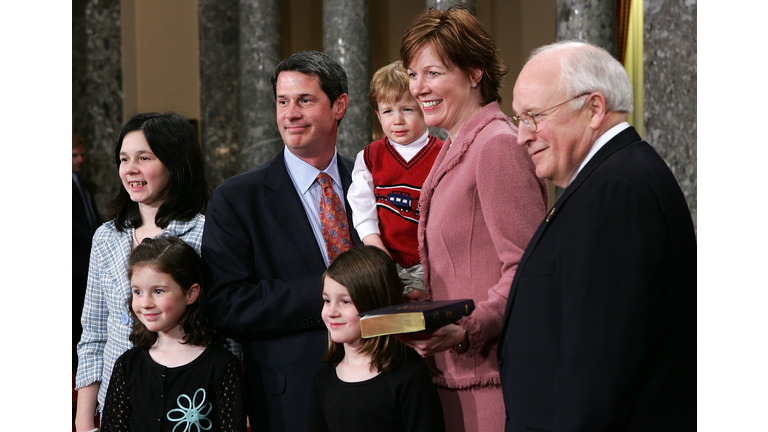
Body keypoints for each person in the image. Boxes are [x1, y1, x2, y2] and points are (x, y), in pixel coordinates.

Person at [498, 41, 696, 431]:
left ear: (593, 108)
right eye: (519, 118)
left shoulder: (616, 191)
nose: (522, 136)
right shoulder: (611, 178)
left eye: (534, 116)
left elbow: (599, 367)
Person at [397, 6, 548, 432]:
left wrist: (467, 329)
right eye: (412, 74)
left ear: (474, 72)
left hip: (490, 383)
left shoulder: (497, 145)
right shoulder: (454, 144)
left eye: (432, 72)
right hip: (452, 380)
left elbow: (526, 269)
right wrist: (422, 303)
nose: (418, 88)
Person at [201, 50, 361, 432]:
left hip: (379, 387)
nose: (290, 113)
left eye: (305, 100)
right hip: (291, 398)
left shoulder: (368, 185)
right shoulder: (237, 198)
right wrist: (329, 293)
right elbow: (226, 303)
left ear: (339, 105)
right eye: (282, 101)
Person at [75, 112, 217, 432]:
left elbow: (221, 333)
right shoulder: (106, 238)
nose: (130, 169)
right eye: (124, 159)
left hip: (184, 404)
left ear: (175, 163)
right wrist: (84, 419)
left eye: (144, 157)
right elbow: (94, 334)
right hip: (118, 405)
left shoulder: (205, 234)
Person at [100, 236, 246, 432]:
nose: (145, 303)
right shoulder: (127, 365)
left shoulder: (221, 365)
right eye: (137, 292)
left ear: (191, 293)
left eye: (158, 291)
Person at [306, 245, 445, 432]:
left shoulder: (408, 377)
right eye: (327, 300)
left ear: (376, 303)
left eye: (345, 301)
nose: (330, 312)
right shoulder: (322, 381)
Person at [347, 60, 443, 299]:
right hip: (383, 258)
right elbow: (362, 211)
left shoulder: (443, 154)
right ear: (378, 116)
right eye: (388, 111)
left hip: (432, 262)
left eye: (407, 109)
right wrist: (378, 253)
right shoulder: (369, 157)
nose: (397, 120)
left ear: (424, 108)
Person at [73, 134, 102, 357]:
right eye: (74, 155)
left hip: (87, 258)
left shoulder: (82, 183)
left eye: (82, 155)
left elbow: (92, 215)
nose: (80, 159)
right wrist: (96, 237)